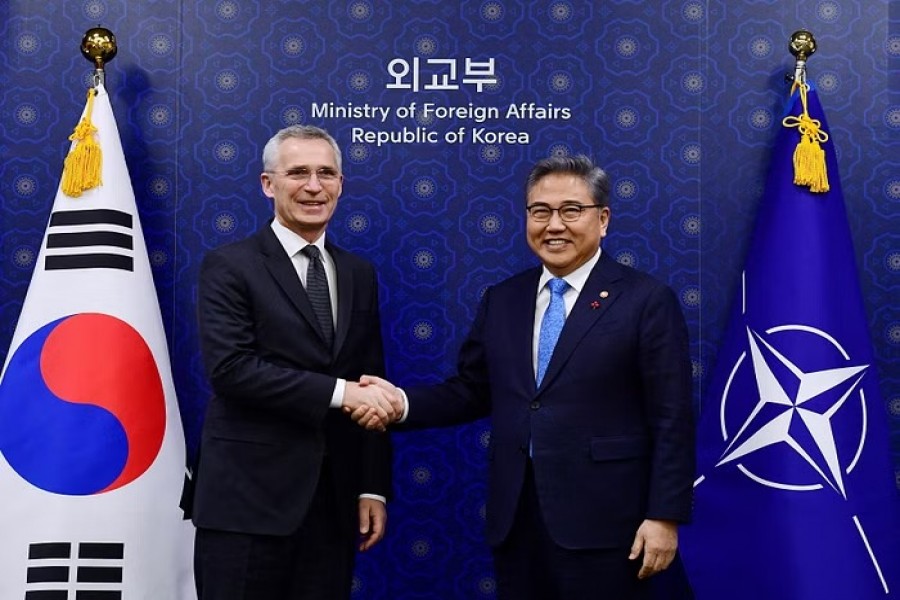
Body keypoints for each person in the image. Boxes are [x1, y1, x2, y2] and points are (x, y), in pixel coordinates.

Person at [353, 155, 695, 599]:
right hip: (518, 520)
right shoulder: (504, 299)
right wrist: (402, 403)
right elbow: (472, 390)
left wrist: (664, 517)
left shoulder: (646, 300)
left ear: (603, 219)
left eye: (571, 210)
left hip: (612, 525)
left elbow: (673, 417)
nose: (554, 224)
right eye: (540, 212)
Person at [191, 125, 399, 600]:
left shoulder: (357, 273)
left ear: (341, 185)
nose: (313, 186)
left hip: (332, 504)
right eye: (298, 172)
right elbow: (232, 370)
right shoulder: (229, 265)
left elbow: (371, 376)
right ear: (269, 184)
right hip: (245, 504)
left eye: (326, 173)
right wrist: (343, 393)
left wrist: (371, 486)